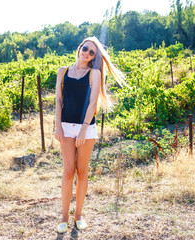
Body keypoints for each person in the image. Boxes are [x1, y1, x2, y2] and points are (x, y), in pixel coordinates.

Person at [54, 36, 126, 233]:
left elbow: (93, 103)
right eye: (85, 48)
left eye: (92, 52)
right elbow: (59, 100)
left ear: (94, 57)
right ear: (80, 47)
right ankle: (63, 216)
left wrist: (83, 130)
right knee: (68, 171)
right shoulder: (64, 71)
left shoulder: (94, 73)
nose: (87, 53)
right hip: (66, 126)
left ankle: (78, 215)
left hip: (86, 128)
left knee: (82, 171)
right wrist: (57, 125)